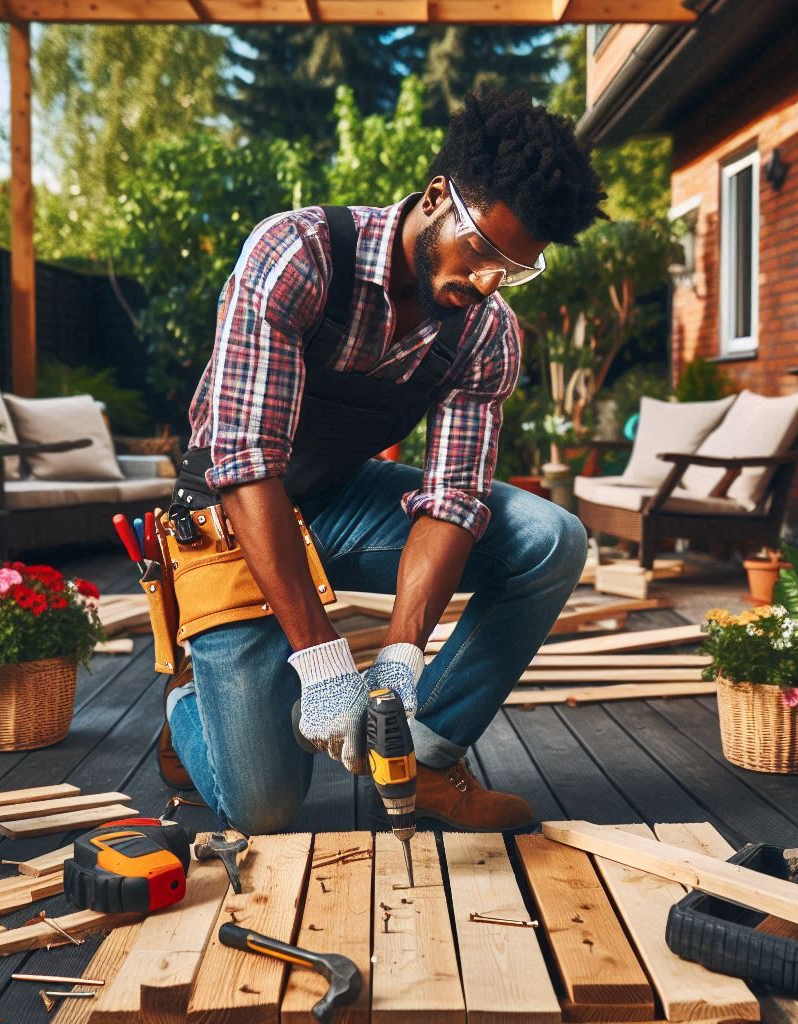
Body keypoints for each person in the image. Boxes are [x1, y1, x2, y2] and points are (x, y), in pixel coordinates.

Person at [161, 88, 606, 833]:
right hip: (230, 517)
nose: (489, 282)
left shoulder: (486, 331)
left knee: (548, 539)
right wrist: (324, 663)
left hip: (335, 501)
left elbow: (453, 498)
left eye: (514, 269)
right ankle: (186, 707)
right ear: (436, 198)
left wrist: (400, 660)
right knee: (265, 809)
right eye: (481, 251)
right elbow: (246, 464)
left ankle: (422, 758)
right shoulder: (296, 254)